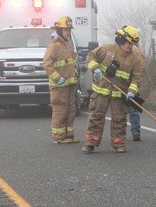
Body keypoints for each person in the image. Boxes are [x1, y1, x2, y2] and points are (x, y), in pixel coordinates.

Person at [82, 25, 145, 153]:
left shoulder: (135, 58)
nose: (130, 46)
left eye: (132, 44)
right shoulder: (107, 49)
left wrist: (131, 91)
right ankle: (90, 143)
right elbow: (90, 57)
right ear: (121, 40)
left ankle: (118, 143)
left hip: (119, 94)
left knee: (120, 119)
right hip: (101, 90)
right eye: (128, 43)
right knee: (96, 116)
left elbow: (136, 78)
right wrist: (96, 68)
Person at [43, 16, 79, 144]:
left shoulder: (67, 44)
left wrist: (74, 76)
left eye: (69, 29)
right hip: (59, 86)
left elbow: (70, 63)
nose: (68, 32)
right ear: (59, 30)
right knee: (60, 110)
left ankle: (68, 135)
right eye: (65, 30)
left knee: (71, 109)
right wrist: (58, 79)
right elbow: (46, 64)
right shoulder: (54, 45)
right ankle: (59, 137)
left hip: (70, 84)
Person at [129, 45, 146, 141]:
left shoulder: (136, 51)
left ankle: (135, 132)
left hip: (131, 84)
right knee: (119, 111)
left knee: (133, 109)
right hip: (119, 84)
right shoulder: (116, 49)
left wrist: (134, 79)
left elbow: (141, 69)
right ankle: (119, 134)